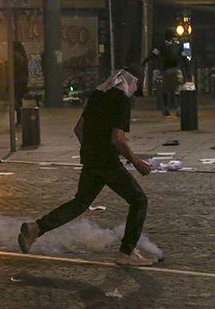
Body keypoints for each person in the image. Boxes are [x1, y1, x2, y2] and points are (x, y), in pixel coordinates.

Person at [17, 66, 154, 266]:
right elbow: (117, 138)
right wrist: (136, 161)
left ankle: (37, 228)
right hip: (107, 162)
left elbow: (78, 129)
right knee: (139, 201)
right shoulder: (122, 100)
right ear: (132, 82)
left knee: (80, 203)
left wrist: (92, 150)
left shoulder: (97, 95)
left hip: (91, 159)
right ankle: (127, 252)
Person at [143, 28, 191, 116]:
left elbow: (153, 54)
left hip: (167, 71)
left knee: (165, 90)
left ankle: (166, 109)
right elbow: (185, 59)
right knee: (178, 90)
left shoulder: (162, 45)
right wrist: (188, 73)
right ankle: (179, 108)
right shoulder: (179, 45)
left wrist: (144, 62)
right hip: (177, 70)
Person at [13, 41, 29, 125]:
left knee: (14, 101)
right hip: (23, 80)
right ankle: (20, 119)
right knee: (18, 100)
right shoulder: (23, 56)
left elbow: (15, 70)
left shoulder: (15, 56)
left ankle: (22, 116)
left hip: (17, 80)